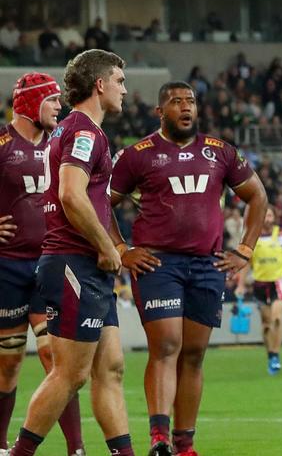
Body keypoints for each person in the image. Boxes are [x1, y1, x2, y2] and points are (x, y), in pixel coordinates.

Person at [110, 81, 267, 456]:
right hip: (158, 263)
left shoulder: (220, 152)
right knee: (166, 345)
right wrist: (120, 249)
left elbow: (256, 196)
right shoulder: (137, 155)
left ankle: (185, 444)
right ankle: (159, 438)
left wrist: (244, 249)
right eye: (176, 102)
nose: (185, 107)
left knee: (194, 355)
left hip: (207, 264)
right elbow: (102, 204)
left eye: (190, 101)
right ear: (159, 111)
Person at [10, 49, 134, 456]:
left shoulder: (72, 129)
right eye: (119, 80)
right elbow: (70, 194)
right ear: (100, 84)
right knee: (69, 374)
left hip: (84, 266)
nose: (124, 89)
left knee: (110, 368)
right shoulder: (83, 132)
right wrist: (107, 246)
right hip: (74, 263)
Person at [0, 73, 84, 455]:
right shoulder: (2, 144)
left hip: (48, 262)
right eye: (51, 100)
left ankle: (76, 448)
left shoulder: (58, 145)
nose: (59, 107)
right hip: (8, 266)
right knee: (10, 361)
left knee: (57, 357)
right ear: (31, 103)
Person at [236, 206, 282, 375]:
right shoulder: (253, 237)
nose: (267, 217)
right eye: (265, 214)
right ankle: (271, 355)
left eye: (270, 214)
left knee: (276, 318)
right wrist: (241, 284)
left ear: (274, 217)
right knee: (266, 324)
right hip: (260, 284)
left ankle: (276, 355)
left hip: (279, 281)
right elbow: (246, 262)